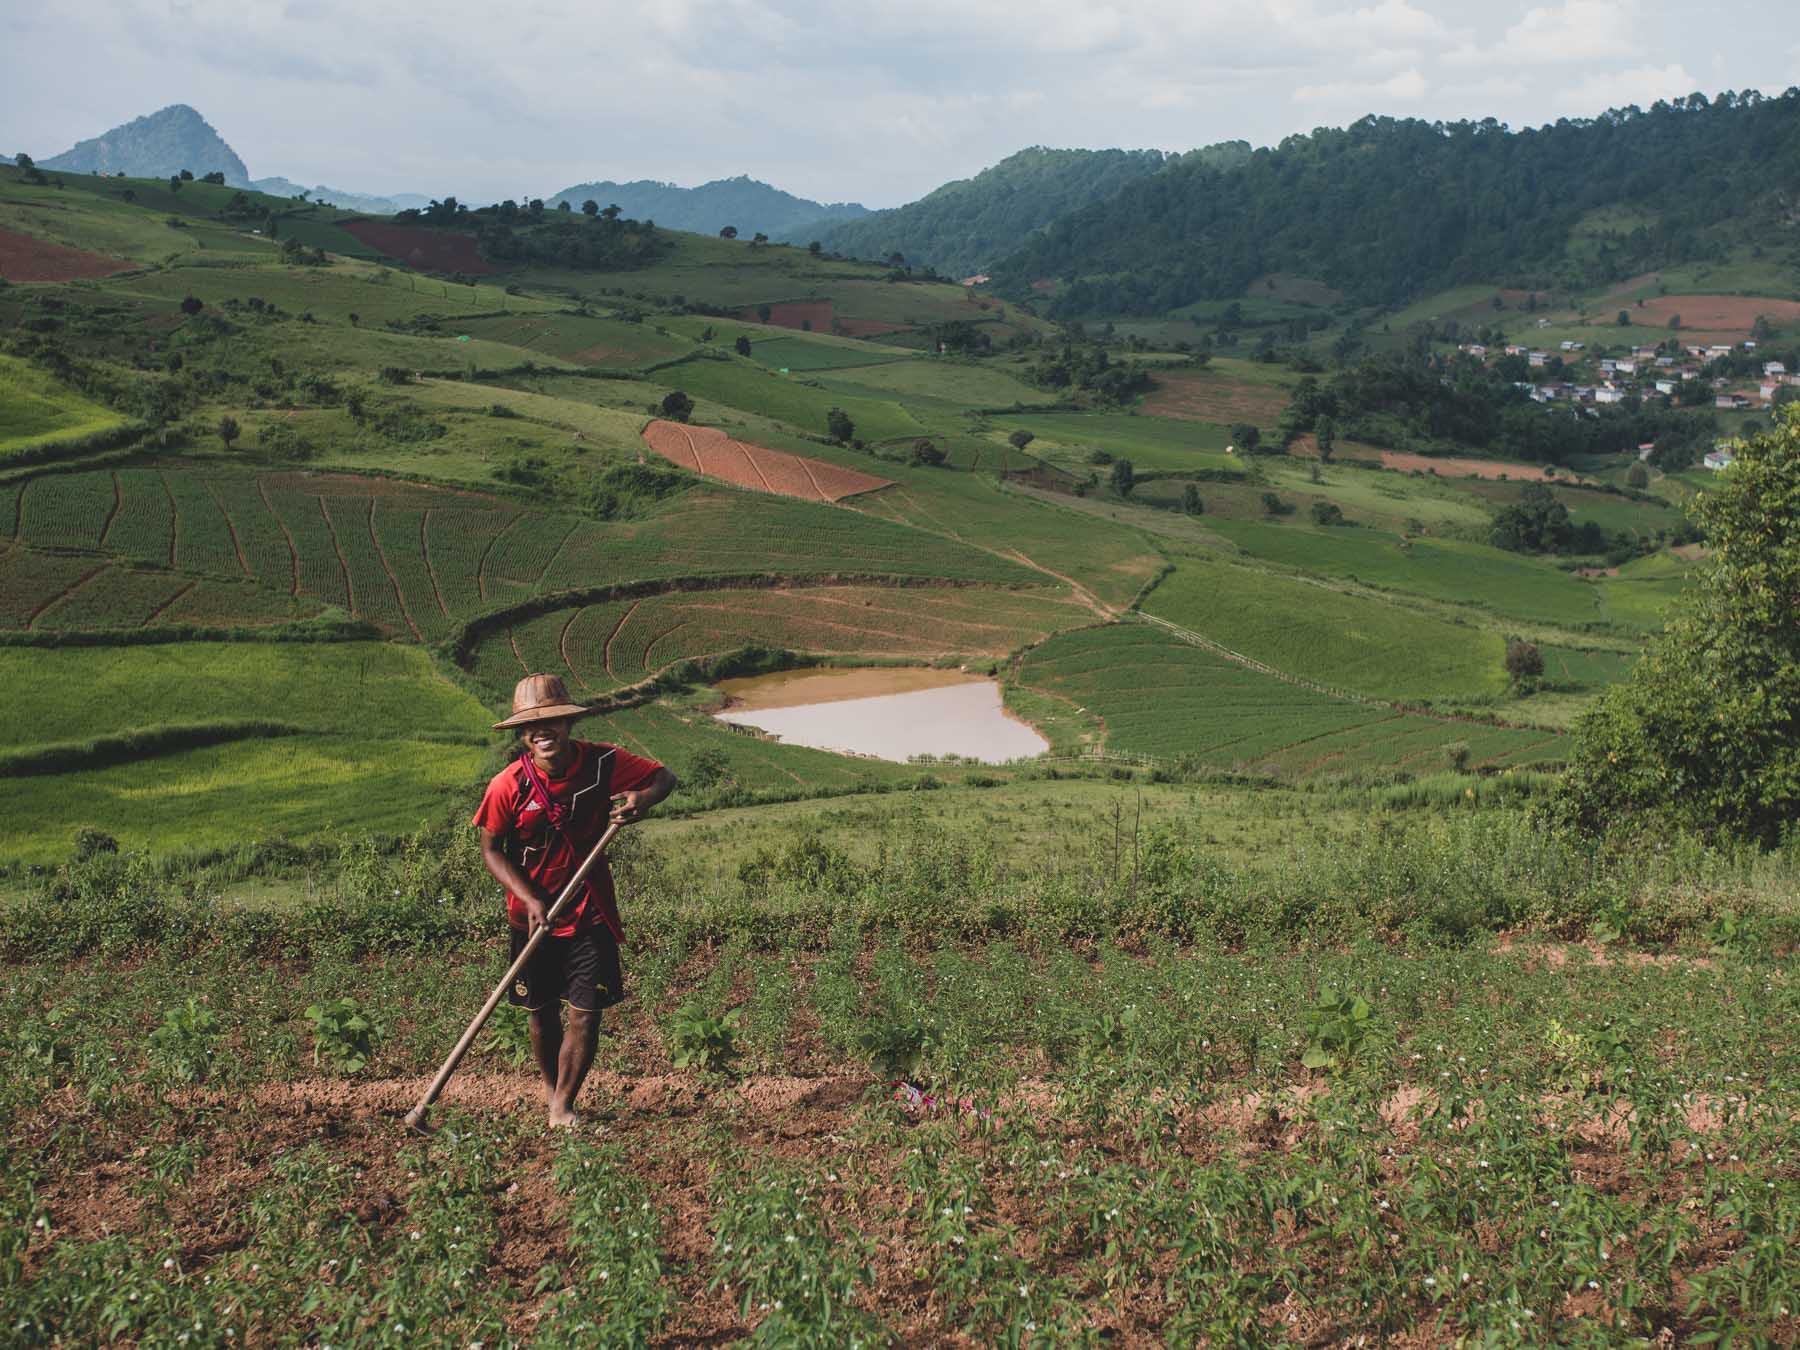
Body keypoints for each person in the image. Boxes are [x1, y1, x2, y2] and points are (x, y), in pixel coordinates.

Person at [473, 674, 677, 1127]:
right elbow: (491, 850)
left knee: (586, 1014)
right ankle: (553, 1094)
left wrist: (642, 798)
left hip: (589, 909)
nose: (541, 732)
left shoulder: (603, 763)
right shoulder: (508, 785)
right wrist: (528, 898)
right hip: (532, 916)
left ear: (568, 723)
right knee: (540, 1013)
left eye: (551, 721)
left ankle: (563, 1105)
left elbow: (665, 778)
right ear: (522, 734)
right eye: (531, 726)